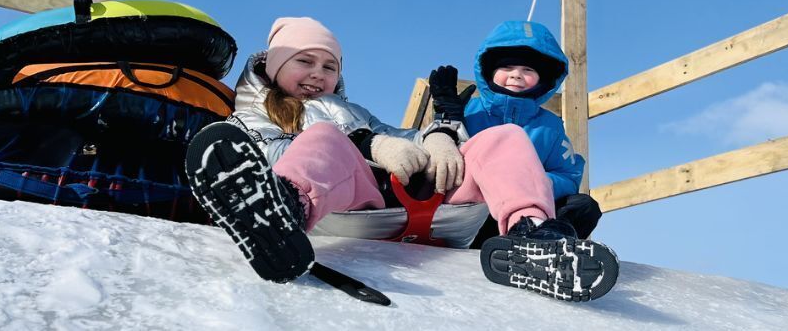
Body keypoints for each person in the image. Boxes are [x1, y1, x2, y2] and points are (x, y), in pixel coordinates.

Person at [185, 17, 618, 302]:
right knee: (322, 138)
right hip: (346, 211)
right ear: (275, 66)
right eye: (305, 61)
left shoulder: (355, 110)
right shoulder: (250, 117)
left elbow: (405, 136)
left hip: (427, 214)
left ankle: (535, 239)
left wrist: (441, 136)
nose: (319, 74)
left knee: (504, 138)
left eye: (329, 66)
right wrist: (363, 144)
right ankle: (280, 214)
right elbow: (270, 155)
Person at [426, 20, 604, 249]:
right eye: (507, 68)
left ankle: (549, 244)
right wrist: (447, 120)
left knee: (584, 206)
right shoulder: (469, 111)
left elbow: (568, 175)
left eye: (528, 70)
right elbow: (440, 158)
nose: (516, 75)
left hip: (529, 214)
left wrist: (530, 181)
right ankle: (522, 239)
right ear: (489, 72)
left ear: (544, 78)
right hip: (474, 213)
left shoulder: (549, 126)